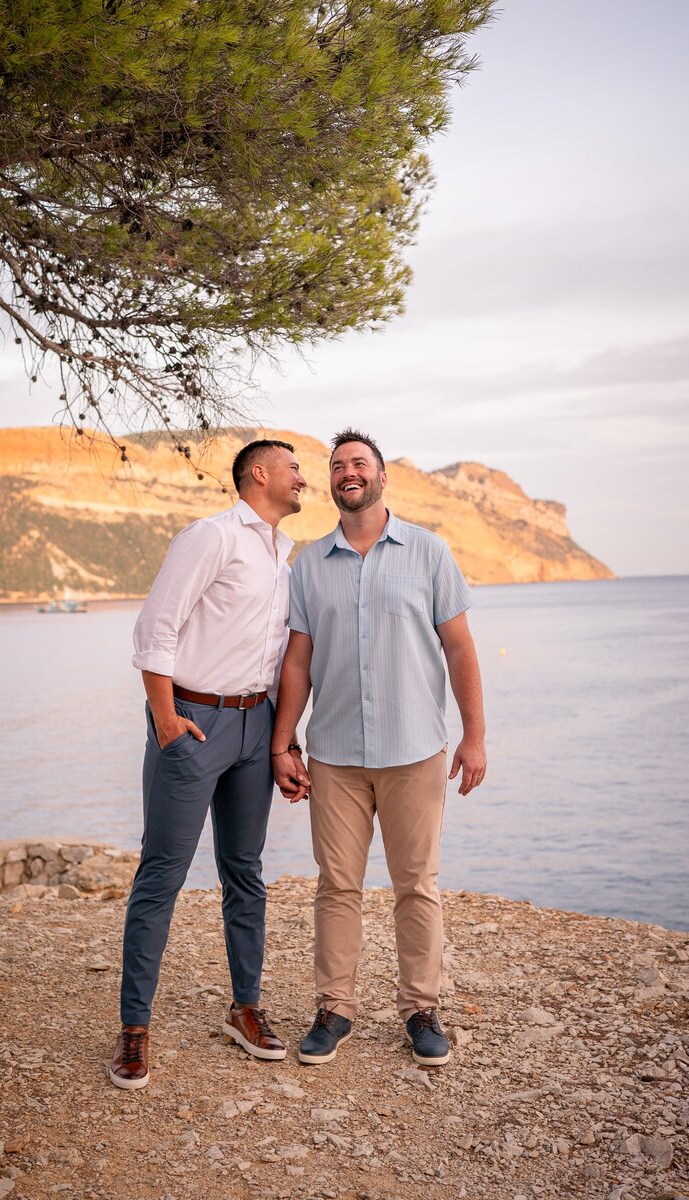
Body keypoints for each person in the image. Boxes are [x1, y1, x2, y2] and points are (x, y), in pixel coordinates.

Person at [271, 428, 486, 1068]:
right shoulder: (309, 564)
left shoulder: (429, 552)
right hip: (334, 754)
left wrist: (475, 737)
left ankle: (421, 1008)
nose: (349, 472)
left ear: (382, 477)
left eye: (359, 463)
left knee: (416, 884)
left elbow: (460, 648)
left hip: (414, 750)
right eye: (338, 465)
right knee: (337, 885)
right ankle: (334, 1008)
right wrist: (283, 743)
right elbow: (297, 661)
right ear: (332, 481)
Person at [109, 439, 308, 1089]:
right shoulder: (212, 537)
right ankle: (134, 1028)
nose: (303, 479)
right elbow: (155, 628)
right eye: (294, 468)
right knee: (162, 873)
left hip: (257, 724)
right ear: (259, 474)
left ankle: (245, 1008)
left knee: (244, 871)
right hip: (195, 721)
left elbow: (279, 656)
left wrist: (283, 742)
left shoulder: (282, 555)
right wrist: (166, 720)